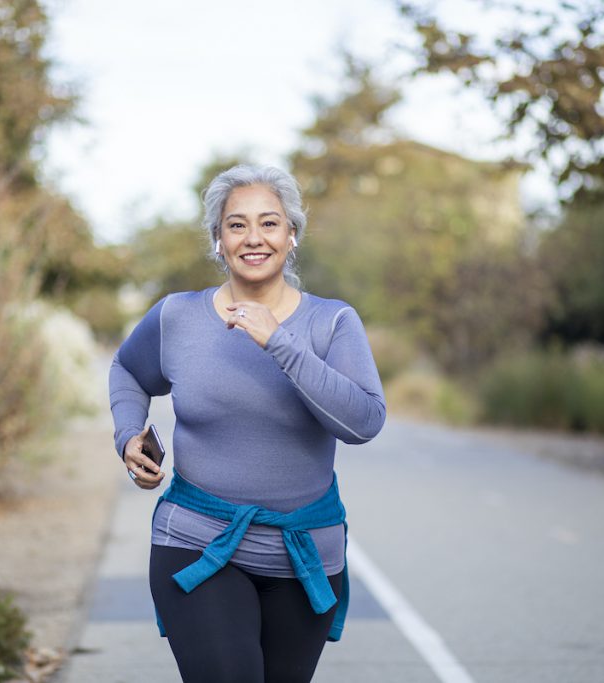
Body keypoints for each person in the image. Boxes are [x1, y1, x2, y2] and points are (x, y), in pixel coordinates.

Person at [108, 164, 386, 682]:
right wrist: (129, 435)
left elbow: (364, 421)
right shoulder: (177, 317)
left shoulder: (332, 323)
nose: (253, 238)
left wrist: (280, 341)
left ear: (292, 236)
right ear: (218, 240)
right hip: (197, 542)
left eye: (269, 223)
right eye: (236, 225)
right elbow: (127, 369)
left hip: (304, 557)